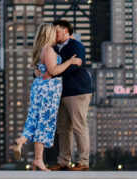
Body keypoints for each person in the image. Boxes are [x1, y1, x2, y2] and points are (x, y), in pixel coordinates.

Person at [11, 23, 82, 171]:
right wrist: (70, 61)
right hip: (48, 91)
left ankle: (21, 140)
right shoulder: (49, 50)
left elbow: (44, 70)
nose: (56, 35)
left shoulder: (41, 50)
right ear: (49, 35)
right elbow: (53, 71)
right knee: (44, 123)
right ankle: (38, 159)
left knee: (34, 120)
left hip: (39, 88)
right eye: (54, 33)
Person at [51, 19, 92, 171]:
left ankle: (83, 162)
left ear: (66, 32)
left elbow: (75, 66)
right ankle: (63, 162)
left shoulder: (76, 45)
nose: (54, 35)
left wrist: (53, 73)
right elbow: (45, 65)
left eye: (57, 32)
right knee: (63, 128)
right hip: (61, 93)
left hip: (77, 92)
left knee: (79, 126)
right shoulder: (54, 48)